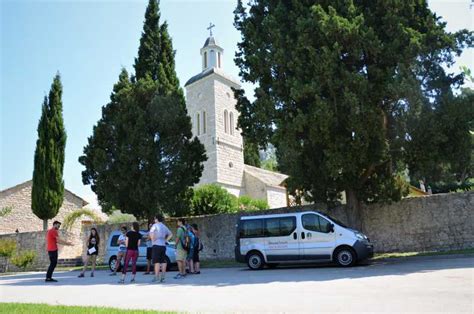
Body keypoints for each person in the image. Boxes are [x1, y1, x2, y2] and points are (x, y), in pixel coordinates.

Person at [149, 214, 172, 283]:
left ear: (156, 219)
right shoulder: (164, 226)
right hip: (163, 245)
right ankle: (163, 277)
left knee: (157, 262)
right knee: (163, 261)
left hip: (156, 245)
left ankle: (156, 277)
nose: (154, 220)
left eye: (154, 218)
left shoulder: (154, 225)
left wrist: (153, 239)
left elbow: (151, 232)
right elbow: (170, 234)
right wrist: (165, 240)